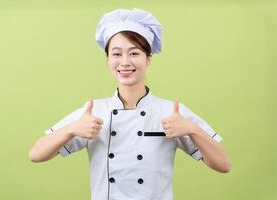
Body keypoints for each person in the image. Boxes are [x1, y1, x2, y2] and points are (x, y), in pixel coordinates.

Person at [29, 8, 231, 200]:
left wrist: (192, 129)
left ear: (149, 58)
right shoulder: (94, 112)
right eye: (117, 54)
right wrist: (72, 129)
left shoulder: (170, 112)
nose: (125, 62)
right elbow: (36, 154)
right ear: (108, 59)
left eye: (134, 53)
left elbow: (223, 165)